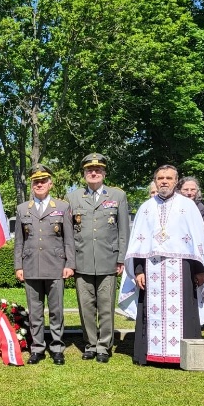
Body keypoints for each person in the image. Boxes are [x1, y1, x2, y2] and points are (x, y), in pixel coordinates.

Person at [118, 165, 204, 366]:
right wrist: (139, 271)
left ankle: (183, 355)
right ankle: (149, 354)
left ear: (176, 181)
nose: (164, 181)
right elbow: (138, 244)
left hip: (182, 271)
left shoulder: (188, 206)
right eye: (160, 178)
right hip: (151, 269)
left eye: (168, 178)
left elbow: (198, 241)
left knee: (184, 311)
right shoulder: (146, 207)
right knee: (149, 310)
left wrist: (200, 271)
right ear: (155, 181)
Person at [66, 153, 129, 364]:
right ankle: (90, 344)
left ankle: (104, 346)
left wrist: (121, 258)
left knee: (106, 305)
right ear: (84, 174)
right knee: (85, 306)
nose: (94, 173)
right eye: (89, 170)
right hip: (82, 260)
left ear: (104, 173)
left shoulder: (117, 196)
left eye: (98, 170)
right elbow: (69, 233)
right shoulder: (73, 198)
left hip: (108, 260)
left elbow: (123, 231)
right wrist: (69, 261)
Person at [14, 164, 74, 365]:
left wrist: (69, 264)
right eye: (35, 182)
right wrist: (18, 266)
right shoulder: (23, 209)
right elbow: (19, 241)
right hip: (31, 267)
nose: (39, 184)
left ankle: (57, 348)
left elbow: (69, 239)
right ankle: (37, 348)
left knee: (56, 310)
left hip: (55, 266)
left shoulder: (63, 207)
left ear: (50, 183)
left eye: (43, 181)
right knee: (35, 312)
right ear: (32, 185)